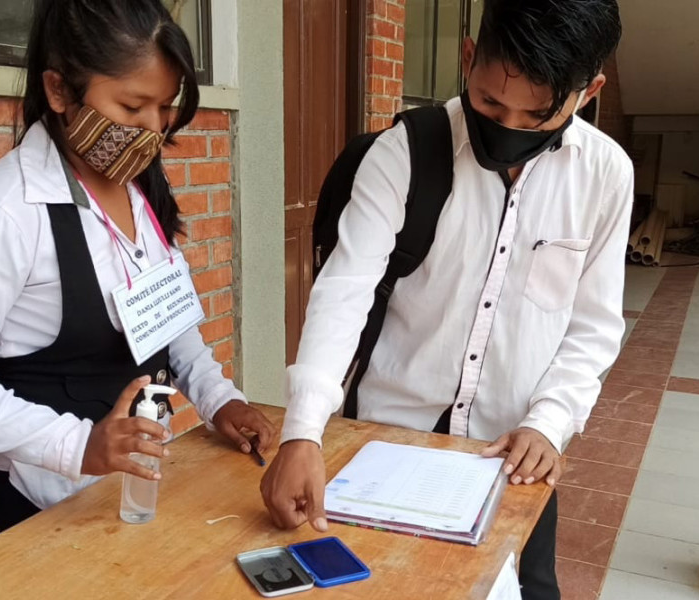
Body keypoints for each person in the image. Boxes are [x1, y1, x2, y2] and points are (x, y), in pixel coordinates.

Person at [261, 1, 629, 598]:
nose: (508, 126)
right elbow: (345, 287)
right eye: (489, 102)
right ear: (466, 57)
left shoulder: (605, 175)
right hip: (388, 445)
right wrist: (303, 430)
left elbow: (593, 324)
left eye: (538, 116)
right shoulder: (405, 151)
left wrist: (550, 422)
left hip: (514, 456)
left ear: (589, 91)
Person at [0, 0, 274, 537]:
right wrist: (77, 445)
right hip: (46, 505)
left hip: (138, 483)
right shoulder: (3, 214)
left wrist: (222, 401)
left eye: (164, 108)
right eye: (132, 107)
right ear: (59, 91)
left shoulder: (137, 191)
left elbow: (169, 325)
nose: (152, 130)